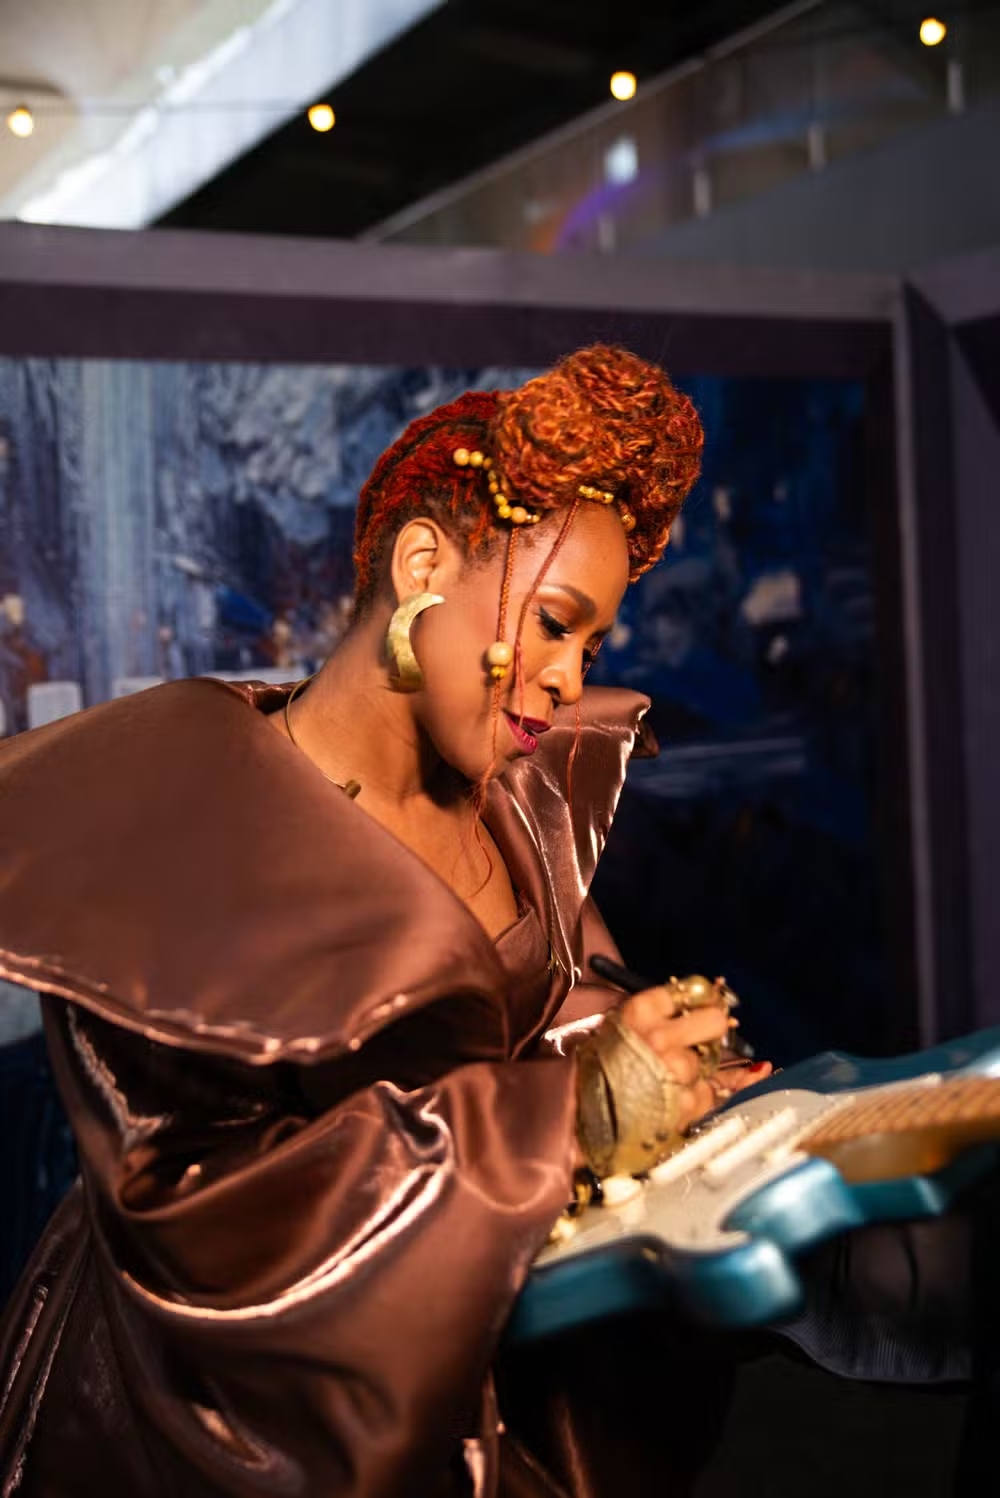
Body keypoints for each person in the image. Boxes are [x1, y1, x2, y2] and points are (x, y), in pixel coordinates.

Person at [1, 343, 770, 1495]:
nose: (569, 678)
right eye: (552, 621)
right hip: (218, 1417)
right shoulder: (188, 817)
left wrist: (660, 1060)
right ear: (422, 565)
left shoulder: (516, 801)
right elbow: (204, 1211)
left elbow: (568, 1003)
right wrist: (568, 1119)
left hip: (488, 1362)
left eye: (592, 645)